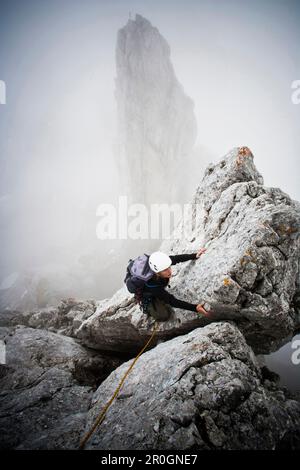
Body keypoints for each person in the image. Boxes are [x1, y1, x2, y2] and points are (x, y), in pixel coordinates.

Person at [141, 249, 209, 321]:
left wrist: (194, 255)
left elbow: (176, 258)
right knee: (164, 315)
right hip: (149, 294)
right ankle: (149, 307)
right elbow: (172, 301)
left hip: (158, 285)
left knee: (163, 291)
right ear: (156, 273)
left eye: (169, 267)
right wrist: (195, 308)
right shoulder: (153, 286)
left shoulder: (161, 264)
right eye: (165, 270)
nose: (169, 271)